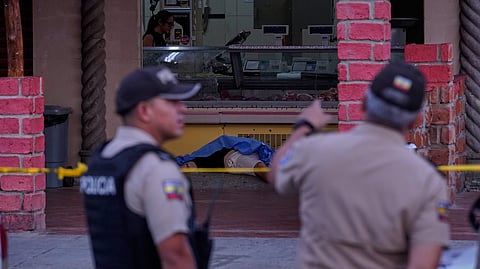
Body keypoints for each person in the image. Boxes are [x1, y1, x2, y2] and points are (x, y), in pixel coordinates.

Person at [267, 61, 450, 269]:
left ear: (364, 102)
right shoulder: (428, 181)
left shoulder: (314, 150)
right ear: (416, 120)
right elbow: (424, 263)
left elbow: (276, 174)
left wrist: (303, 127)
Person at [80, 66, 202, 268]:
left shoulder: (102, 158)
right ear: (144, 111)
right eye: (172, 102)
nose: (183, 108)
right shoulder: (156, 169)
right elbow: (175, 256)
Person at [176, 135, 274, 182]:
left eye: (186, 166)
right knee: (259, 167)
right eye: (187, 168)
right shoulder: (200, 163)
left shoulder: (199, 156)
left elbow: (223, 141)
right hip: (235, 158)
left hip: (246, 150)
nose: (187, 167)